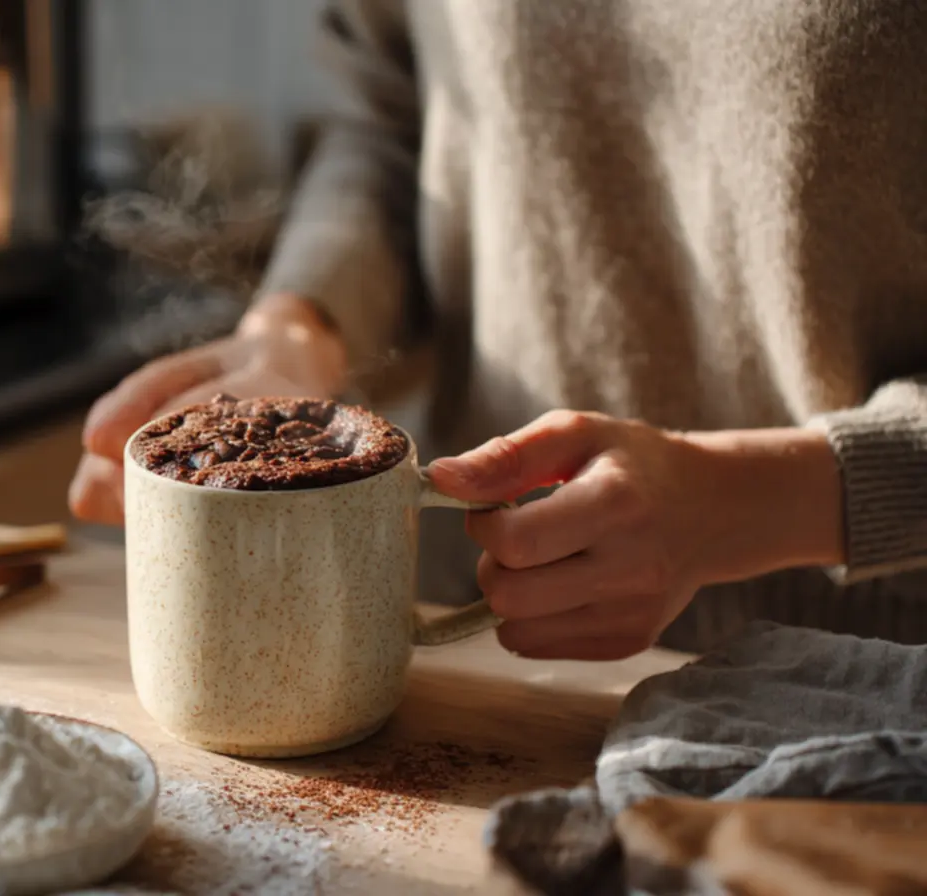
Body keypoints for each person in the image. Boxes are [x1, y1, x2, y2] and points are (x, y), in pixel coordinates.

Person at [70, 0, 927, 659]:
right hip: (480, 648)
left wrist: (745, 502)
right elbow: (396, 118)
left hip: (860, 692)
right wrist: (299, 323)